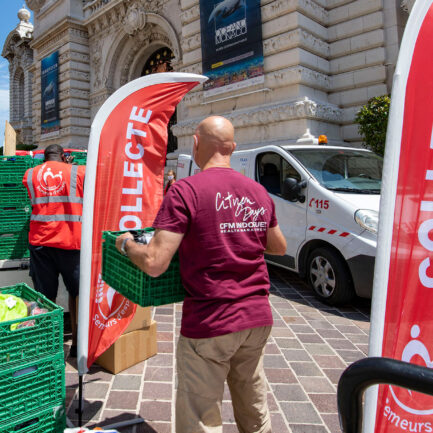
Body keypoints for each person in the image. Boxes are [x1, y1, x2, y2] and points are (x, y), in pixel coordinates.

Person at [115, 116, 286, 433]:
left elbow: (154, 261)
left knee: (200, 418)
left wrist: (125, 244)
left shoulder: (185, 191)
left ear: (194, 144)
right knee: (254, 406)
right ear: (232, 148)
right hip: (257, 318)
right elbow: (278, 246)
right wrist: (240, 232)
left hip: (211, 322)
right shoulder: (258, 192)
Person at [23, 144, 85, 358]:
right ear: (63, 156)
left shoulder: (30, 174)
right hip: (70, 243)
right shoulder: (78, 171)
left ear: (44, 157)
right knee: (77, 294)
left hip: (41, 244)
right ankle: (77, 344)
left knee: (44, 296)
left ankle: (48, 344)